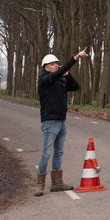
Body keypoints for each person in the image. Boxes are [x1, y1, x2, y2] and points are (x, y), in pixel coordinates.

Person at [36, 49, 88, 196]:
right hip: (50, 121)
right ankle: (40, 184)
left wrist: (69, 74)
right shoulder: (44, 80)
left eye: (57, 64)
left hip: (61, 120)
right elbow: (57, 74)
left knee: (58, 152)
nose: (56, 66)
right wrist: (76, 57)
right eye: (53, 64)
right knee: (46, 153)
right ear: (46, 66)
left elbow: (75, 87)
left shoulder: (59, 80)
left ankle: (57, 183)